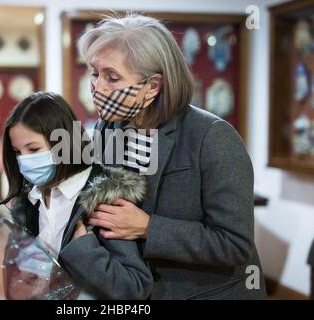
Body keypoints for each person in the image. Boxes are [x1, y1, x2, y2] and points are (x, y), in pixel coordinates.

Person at [78, 13, 267, 299]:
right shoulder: (108, 127)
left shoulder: (212, 136)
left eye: (112, 77)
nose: (97, 87)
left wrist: (147, 227)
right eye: (94, 73)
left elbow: (234, 244)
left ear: (152, 87)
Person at [0, 91, 152, 299]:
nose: (24, 161)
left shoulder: (105, 198)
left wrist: (86, 251)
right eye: (17, 152)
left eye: (33, 149)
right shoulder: (29, 200)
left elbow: (134, 289)